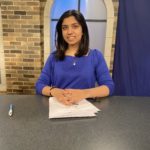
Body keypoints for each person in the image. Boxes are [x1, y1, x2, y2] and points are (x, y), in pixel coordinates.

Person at [36, 10, 114, 105]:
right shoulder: (53, 57)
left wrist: (83, 93)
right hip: (60, 107)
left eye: (75, 26)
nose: (69, 32)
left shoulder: (95, 56)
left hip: (86, 108)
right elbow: (40, 85)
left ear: (83, 31)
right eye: (65, 28)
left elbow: (109, 87)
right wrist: (54, 91)